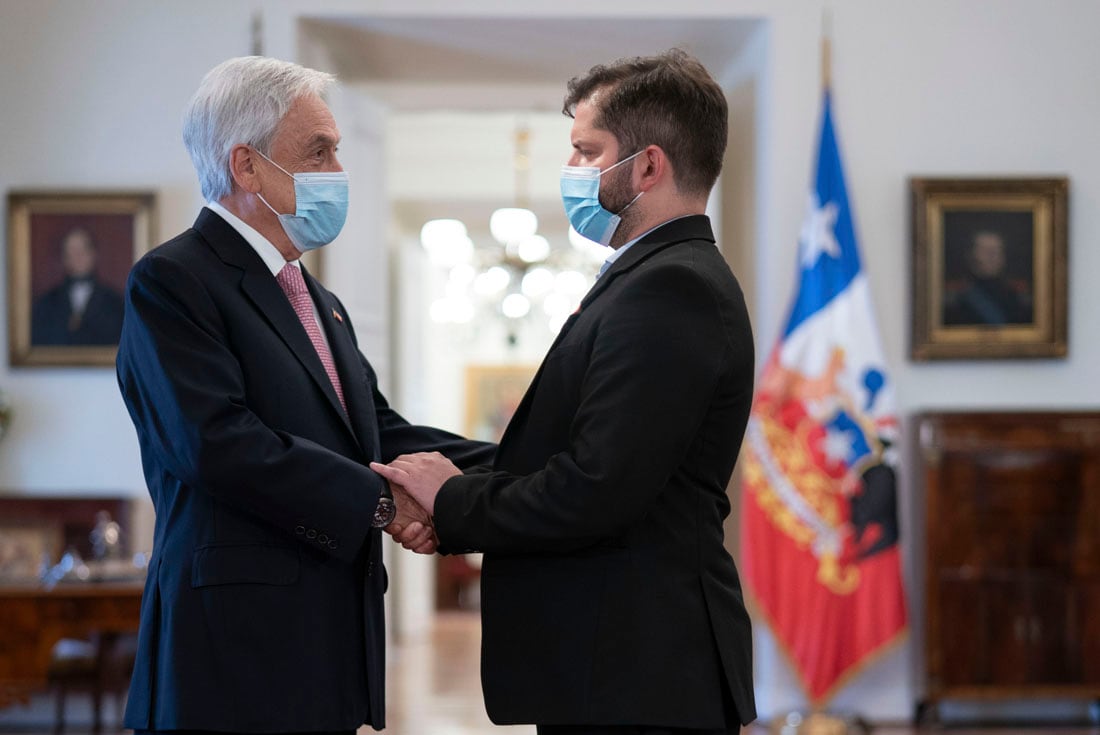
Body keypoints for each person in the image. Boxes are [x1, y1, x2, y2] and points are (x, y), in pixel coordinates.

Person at [376, 49, 757, 734]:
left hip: (639, 672)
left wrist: (453, 498)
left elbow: (595, 487)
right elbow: (568, 455)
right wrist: (441, 477)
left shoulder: (673, 288)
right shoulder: (650, 275)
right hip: (619, 665)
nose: (573, 171)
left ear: (647, 165)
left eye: (587, 151)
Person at [115, 56, 494, 735]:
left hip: (324, 656)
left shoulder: (319, 301)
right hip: (228, 662)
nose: (337, 173)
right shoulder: (172, 281)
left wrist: (520, 465)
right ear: (247, 166)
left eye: (337, 151)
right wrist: (383, 502)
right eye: (318, 152)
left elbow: (377, 432)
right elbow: (217, 443)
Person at [31, 226, 125, 345]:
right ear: (64, 258)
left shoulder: (115, 302)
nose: (78, 256)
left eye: (83, 250)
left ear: (94, 254)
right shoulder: (46, 302)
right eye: (72, 251)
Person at [943, 229, 1033, 325]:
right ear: (970, 256)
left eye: (998, 250)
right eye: (985, 250)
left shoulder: (1019, 296)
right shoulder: (954, 297)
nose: (993, 256)